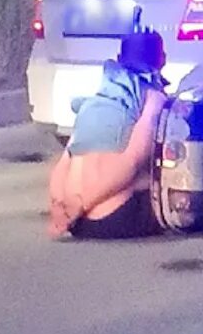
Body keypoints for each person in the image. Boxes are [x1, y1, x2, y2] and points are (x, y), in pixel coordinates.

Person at [47, 32, 168, 240]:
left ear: (119, 60)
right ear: (162, 60)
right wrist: (83, 203)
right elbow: (132, 161)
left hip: (76, 223)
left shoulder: (94, 102)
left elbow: (64, 162)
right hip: (113, 218)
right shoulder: (153, 98)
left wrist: (60, 207)